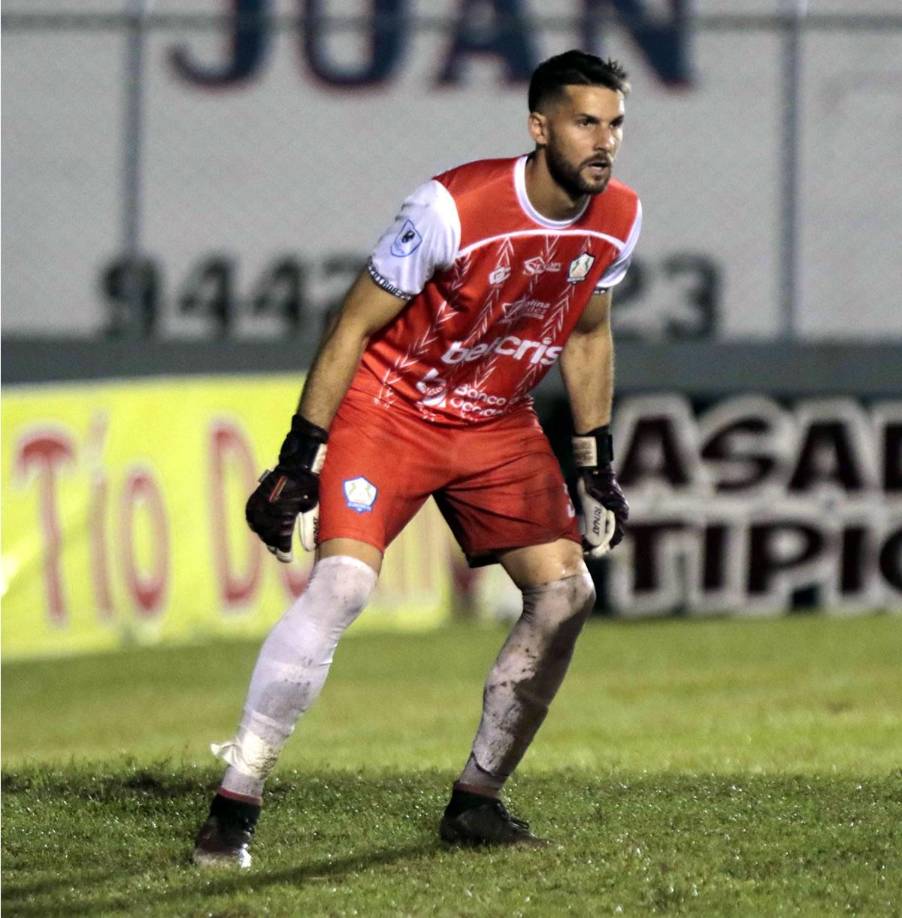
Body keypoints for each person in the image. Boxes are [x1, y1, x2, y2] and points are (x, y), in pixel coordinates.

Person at [193, 48, 640, 868]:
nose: (603, 141)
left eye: (614, 124)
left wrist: (593, 460)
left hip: (495, 422)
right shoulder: (452, 205)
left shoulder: (620, 213)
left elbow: (587, 330)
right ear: (539, 129)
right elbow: (352, 326)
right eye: (585, 122)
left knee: (567, 594)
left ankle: (476, 802)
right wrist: (300, 456)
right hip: (392, 408)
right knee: (345, 585)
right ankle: (236, 803)